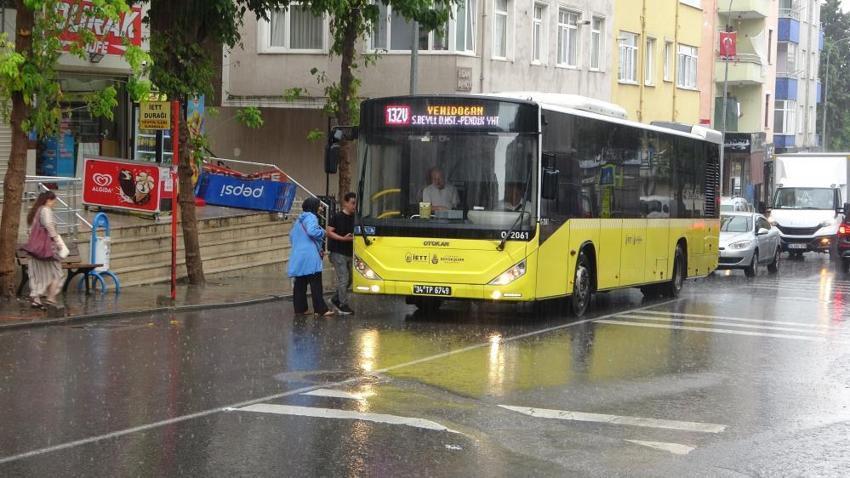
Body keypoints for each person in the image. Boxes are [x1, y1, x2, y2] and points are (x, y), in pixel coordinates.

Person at [288, 197, 333, 317]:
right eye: (319, 206)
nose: (321, 208)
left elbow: (291, 236)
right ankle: (320, 309)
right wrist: (323, 233)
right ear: (313, 206)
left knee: (300, 284)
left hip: (299, 256)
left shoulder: (299, 220)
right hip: (310, 256)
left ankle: (300, 309)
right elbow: (312, 231)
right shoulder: (311, 217)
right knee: (316, 283)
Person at [24, 191, 69, 309]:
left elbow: (29, 231)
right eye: (54, 201)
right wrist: (57, 241)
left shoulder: (35, 211)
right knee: (57, 273)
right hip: (46, 250)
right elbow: (49, 225)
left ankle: (36, 300)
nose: (54, 204)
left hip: (35, 249)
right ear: (48, 200)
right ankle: (51, 298)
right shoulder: (46, 210)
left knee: (38, 274)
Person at [327, 192, 356, 315]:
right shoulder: (337, 217)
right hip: (338, 252)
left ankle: (335, 299)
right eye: (352, 203)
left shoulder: (355, 218)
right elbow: (329, 232)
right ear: (345, 203)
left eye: (355, 203)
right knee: (344, 278)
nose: (354, 206)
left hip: (349, 252)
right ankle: (342, 304)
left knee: (350, 279)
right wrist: (342, 238)